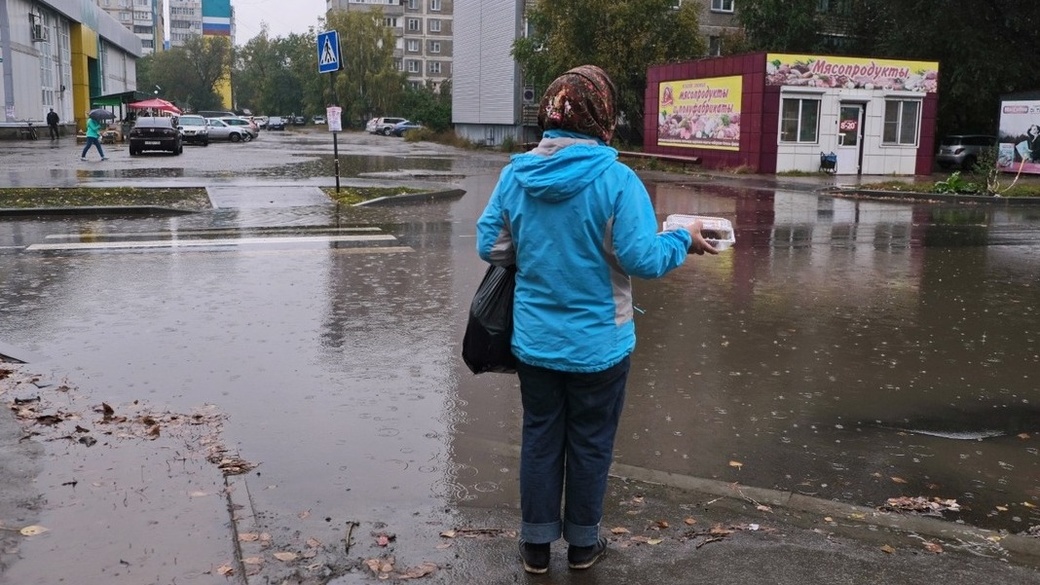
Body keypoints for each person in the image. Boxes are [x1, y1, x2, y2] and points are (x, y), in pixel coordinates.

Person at [475, 64, 718, 575]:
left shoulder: (516, 174)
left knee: (540, 437)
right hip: (600, 348)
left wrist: (540, 248)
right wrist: (682, 236)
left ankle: (536, 548)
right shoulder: (616, 179)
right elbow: (643, 259)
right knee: (590, 442)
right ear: (602, 115)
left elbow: (490, 245)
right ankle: (584, 546)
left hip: (535, 342)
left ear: (550, 113)